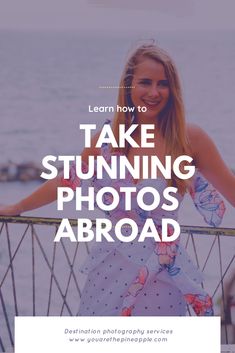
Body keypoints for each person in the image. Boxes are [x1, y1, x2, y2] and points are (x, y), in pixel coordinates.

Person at [0, 43, 235, 317]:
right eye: (145, 82)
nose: (154, 92)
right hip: (109, 269)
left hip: (161, 274)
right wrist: (17, 207)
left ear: (173, 91)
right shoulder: (107, 139)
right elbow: (68, 180)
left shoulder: (189, 139)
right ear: (128, 86)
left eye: (163, 84)